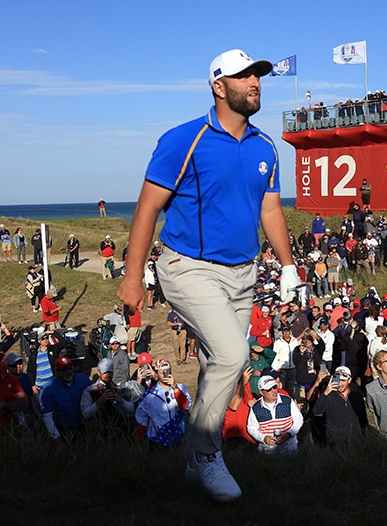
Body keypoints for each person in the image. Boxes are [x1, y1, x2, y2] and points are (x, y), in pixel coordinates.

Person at [117, 48, 296, 502]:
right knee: (234, 354)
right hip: (187, 266)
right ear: (219, 86)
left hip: (244, 272)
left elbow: (270, 208)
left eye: (258, 76)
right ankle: (206, 454)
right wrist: (133, 277)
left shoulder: (265, 146)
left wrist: (290, 265)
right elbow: (148, 208)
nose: (256, 82)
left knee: (217, 364)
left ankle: (196, 465)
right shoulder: (184, 139)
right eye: (244, 77)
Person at [136, 359, 192, 447]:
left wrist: (175, 388)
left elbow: (186, 406)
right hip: (157, 441)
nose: (166, 375)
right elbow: (141, 419)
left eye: (168, 372)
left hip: (178, 439)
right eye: (162, 373)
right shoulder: (150, 395)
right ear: (156, 373)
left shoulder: (181, 388)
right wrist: (139, 443)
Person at [39, 356, 91, 445]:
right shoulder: (48, 389)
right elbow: (47, 416)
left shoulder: (83, 379)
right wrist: (57, 438)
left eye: (70, 368)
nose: (68, 372)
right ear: (57, 372)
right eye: (64, 370)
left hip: (84, 426)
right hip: (63, 429)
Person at [246, 375, 303, 454]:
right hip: (267, 451)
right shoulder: (256, 407)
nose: (274, 391)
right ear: (261, 392)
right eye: (269, 389)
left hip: (289, 449)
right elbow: (251, 427)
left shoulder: (287, 401)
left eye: (274, 387)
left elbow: (299, 420)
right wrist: (263, 438)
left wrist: (289, 434)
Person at [312, 365, 368, 444]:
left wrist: (365, 436)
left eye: (343, 380)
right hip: (336, 442)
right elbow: (316, 411)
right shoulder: (328, 396)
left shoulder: (356, 396)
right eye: (337, 380)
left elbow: (363, 419)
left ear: (349, 380)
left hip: (356, 440)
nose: (339, 384)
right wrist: (325, 393)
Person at [80, 358, 136, 433]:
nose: (108, 375)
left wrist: (120, 400)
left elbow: (132, 410)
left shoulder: (119, 389)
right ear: (99, 372)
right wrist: (99, 402)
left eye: (110, 372)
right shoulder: (90, 390)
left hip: (119, 431)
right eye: (105, 372)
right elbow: (85, 415)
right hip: (98, 432)